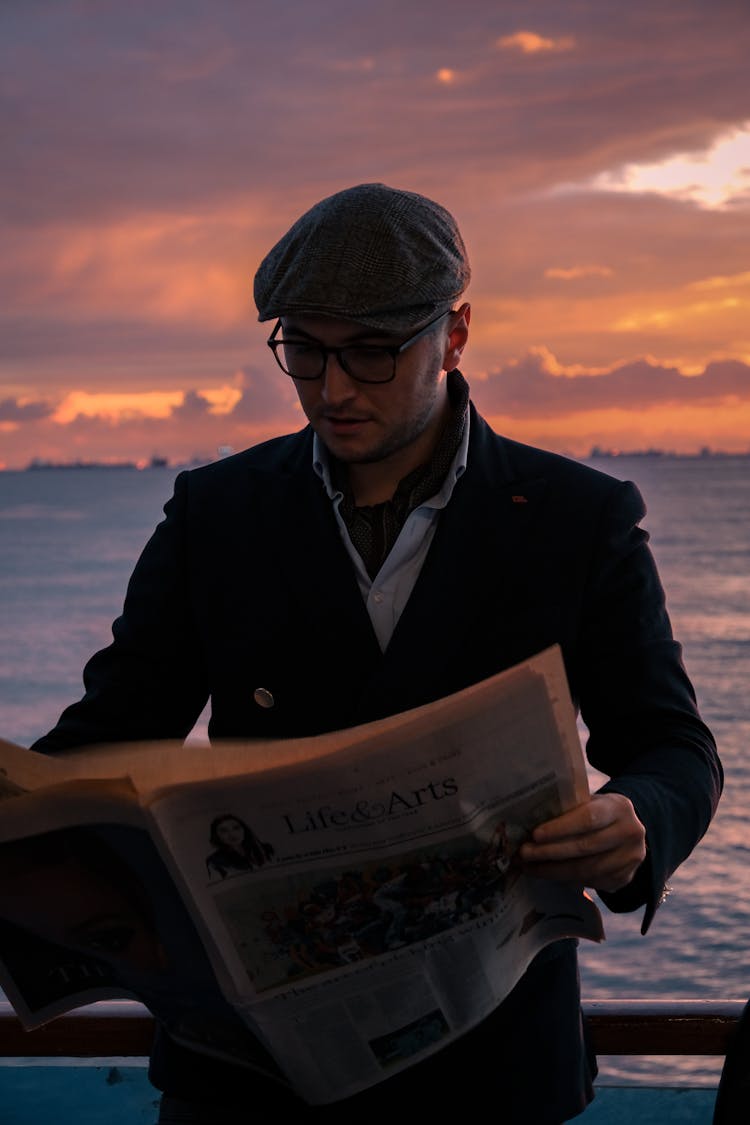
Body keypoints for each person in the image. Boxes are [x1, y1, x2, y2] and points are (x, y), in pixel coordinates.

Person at [29, 183, 722, 1123]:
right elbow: (109, 733)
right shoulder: (217, 514)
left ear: (458, 332)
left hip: (490, 1069)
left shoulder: (577, 520)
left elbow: (674, 744)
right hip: (249, 1074)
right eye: (304, 351)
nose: (333, 388)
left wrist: (636, 816)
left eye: (371, 352)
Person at [205, 813, 275, 879]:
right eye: (224, 831)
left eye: (236, 828)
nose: (232, 834)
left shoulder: (266, 848)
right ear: (217, 836)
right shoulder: (215, 861)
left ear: (244, 829)